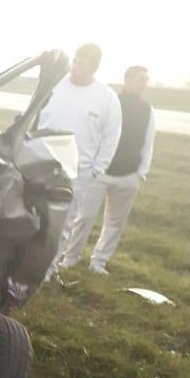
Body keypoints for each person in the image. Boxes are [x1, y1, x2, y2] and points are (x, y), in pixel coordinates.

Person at [58, 66, 156, 274]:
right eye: (140, 78)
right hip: (100, 173)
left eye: (145, 79)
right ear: (127, 79)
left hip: (129, 176)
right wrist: (94, 168)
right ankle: (70, 258)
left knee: (115, 223)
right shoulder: (111, 103)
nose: (143, 83)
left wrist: (140, 173)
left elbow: (148, 143)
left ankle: (99, 262)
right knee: (84, 217)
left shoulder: (147, 110)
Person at [38, 44, 122, 269]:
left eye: (82, 63)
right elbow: (34, 115)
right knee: (34, 215)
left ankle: (49, 269)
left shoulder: (107, 98)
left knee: (62, 222)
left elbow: (111, 137)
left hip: (77, 171)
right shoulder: (54, 84)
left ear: (94, 67)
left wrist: (96, 170)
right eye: (75, 60)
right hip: (40, 161)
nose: (75, 66)